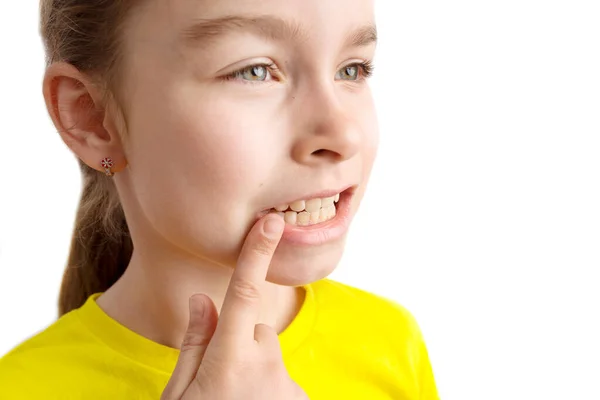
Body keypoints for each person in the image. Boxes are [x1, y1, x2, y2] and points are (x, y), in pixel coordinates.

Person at [0, 0, 439, 398]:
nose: (343, 135)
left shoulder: (389, 341)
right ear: (93, 119)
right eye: (255, 70)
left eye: (353, 69)